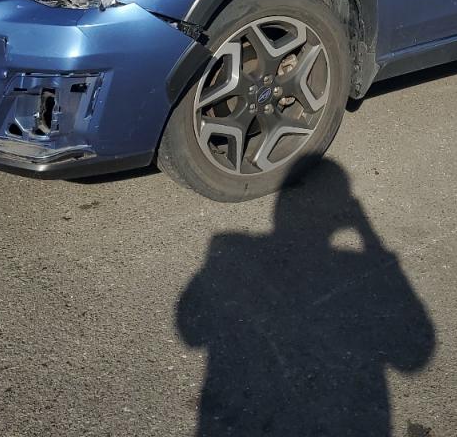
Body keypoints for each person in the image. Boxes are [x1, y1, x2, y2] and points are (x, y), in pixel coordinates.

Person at [176, 159, 435, 436]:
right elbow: (413, 356)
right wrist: (370, 239)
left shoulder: (230, 248)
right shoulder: (354, 263)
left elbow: (190, 331)